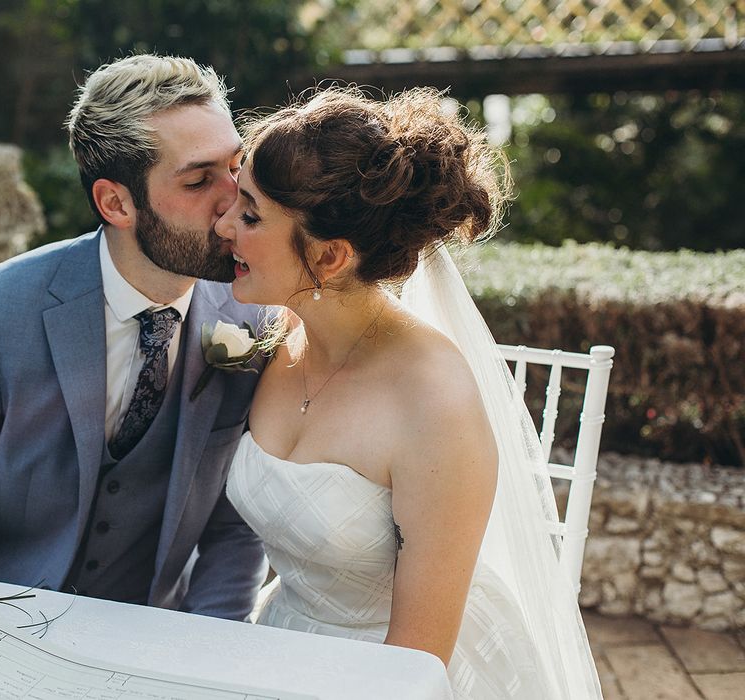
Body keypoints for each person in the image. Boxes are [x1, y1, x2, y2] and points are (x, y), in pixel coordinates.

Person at [214, 86, 603, 698]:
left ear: (331, 255)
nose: (223, 225)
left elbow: (417, 659)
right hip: (280, 641)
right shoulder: (276, 333)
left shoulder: (434, 402)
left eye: (251, 214)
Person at [0, 54, 266, 619]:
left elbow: (238, 528)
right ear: (116, 203)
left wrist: (207, 654)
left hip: (161, 634)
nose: (235, 199)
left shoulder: (257, 316)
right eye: (198, 179)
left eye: (237, 166)